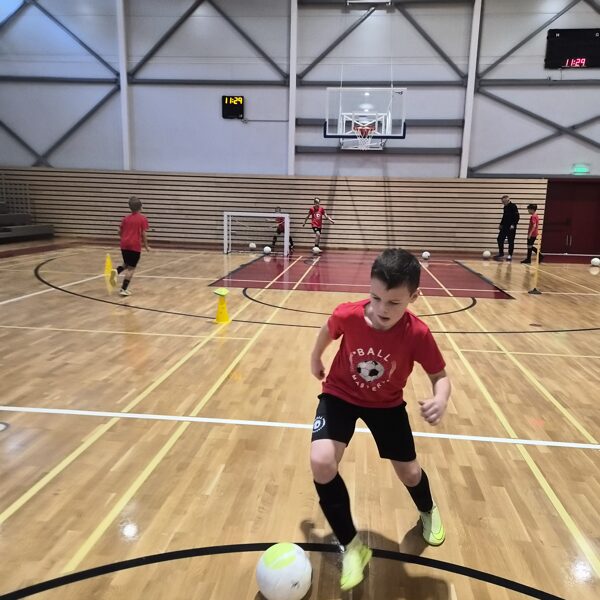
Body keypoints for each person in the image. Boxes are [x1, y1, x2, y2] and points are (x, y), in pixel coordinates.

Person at [309, 248, 451, 591]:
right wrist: (315, 357)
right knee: (321, 461)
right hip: (340, 394)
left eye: (393, 302)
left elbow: (440, 376)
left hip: (386, 405)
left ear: (414, 297)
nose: (381, 309)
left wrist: (441, 398)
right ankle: (353, 546)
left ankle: (427, 509)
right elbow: (328, 329)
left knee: (410, 473)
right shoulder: (349, 314)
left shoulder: (418, 334)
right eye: (375, 298)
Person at [111, 196, 150, 296]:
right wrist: (146, 246)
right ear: (141, 207)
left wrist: (123, 238)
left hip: (124, 245)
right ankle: (123, 289)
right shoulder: (143, 219)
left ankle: (116, 271)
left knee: (126, 263)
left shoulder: (125, 218)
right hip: (134, 246)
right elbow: (143, 234)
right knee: (131, 268)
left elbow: (119, 231)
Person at [494, 195, 519, 261]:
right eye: (502, 202)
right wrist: (501, 224)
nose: (503, 203)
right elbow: (504, 217)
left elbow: (517, 217)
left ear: (507, 200)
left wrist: (513, 224)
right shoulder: (505, 207)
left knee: (511, 241)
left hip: (511, 227)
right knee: (499, 239)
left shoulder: (513, 206)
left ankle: (510, 255)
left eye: (504, 202)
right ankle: (501, 253)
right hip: (505, 226)